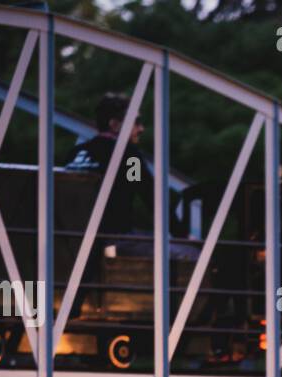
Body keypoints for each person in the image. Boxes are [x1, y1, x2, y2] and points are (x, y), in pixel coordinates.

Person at [63, 93, 197, 260]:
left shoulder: (76, 153)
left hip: (71, 240)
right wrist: (182, 234)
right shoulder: (129, 156)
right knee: (191, 254)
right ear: (114, 124)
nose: (141, 129)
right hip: (112, 241)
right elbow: (151, 196)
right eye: (136, 122)